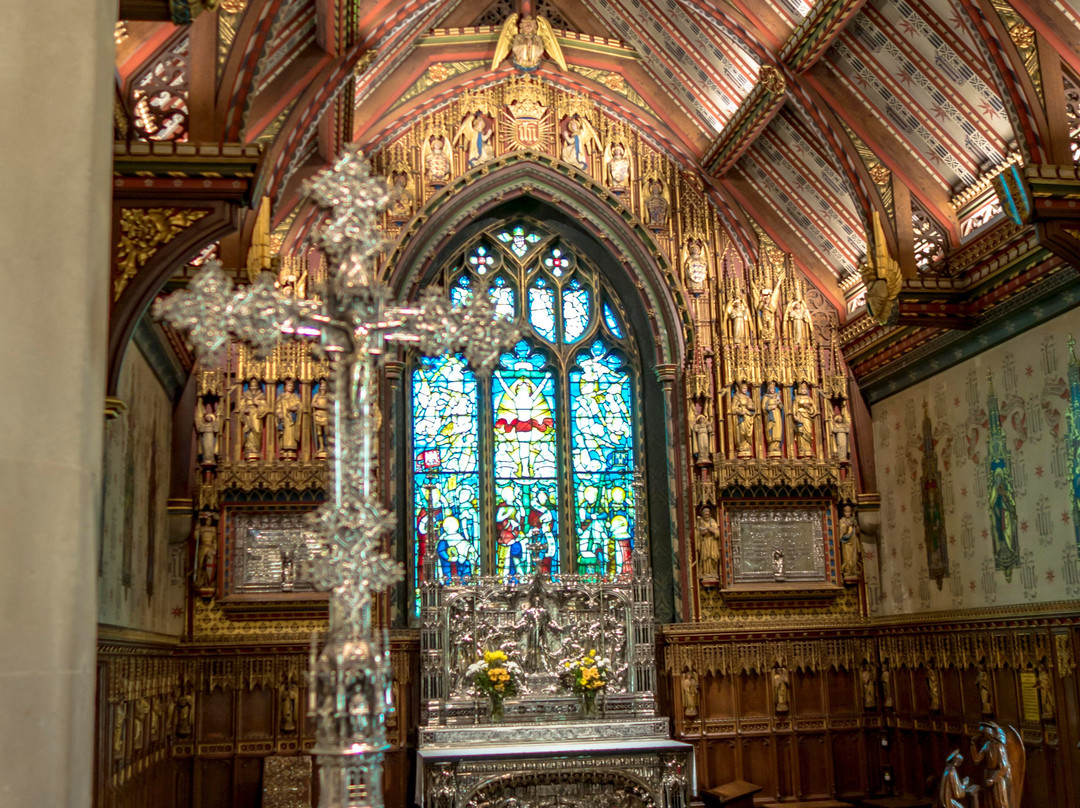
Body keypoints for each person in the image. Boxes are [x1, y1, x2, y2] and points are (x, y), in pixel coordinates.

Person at [275, 378, 302, 458]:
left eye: (292, 386)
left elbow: (300, 406)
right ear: (285, 387)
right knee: (284, 433)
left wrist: (295, 408)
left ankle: (291, 450)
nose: (291, 387)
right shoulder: (281, 397)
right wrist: (279, 413)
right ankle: (283, 449)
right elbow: (277, 407)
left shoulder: (295, 397)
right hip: (284, 419)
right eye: (289, 386)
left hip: (292, 419)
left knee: (291, 433)